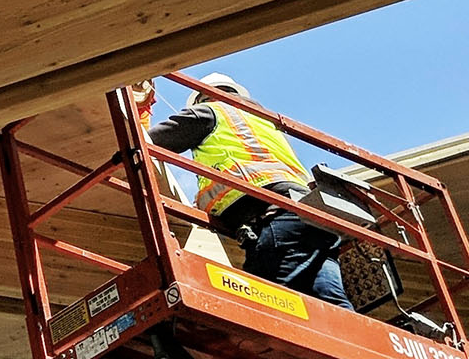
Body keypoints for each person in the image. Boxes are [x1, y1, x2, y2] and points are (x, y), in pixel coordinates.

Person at [137, 73, 354, 310]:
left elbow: (145, 142)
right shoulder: (263, 122)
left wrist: (140, 106)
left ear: (203, 97)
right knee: (331, 303)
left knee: (271, 309)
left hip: (274, 218)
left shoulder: (211, 112)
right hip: (311, 217)